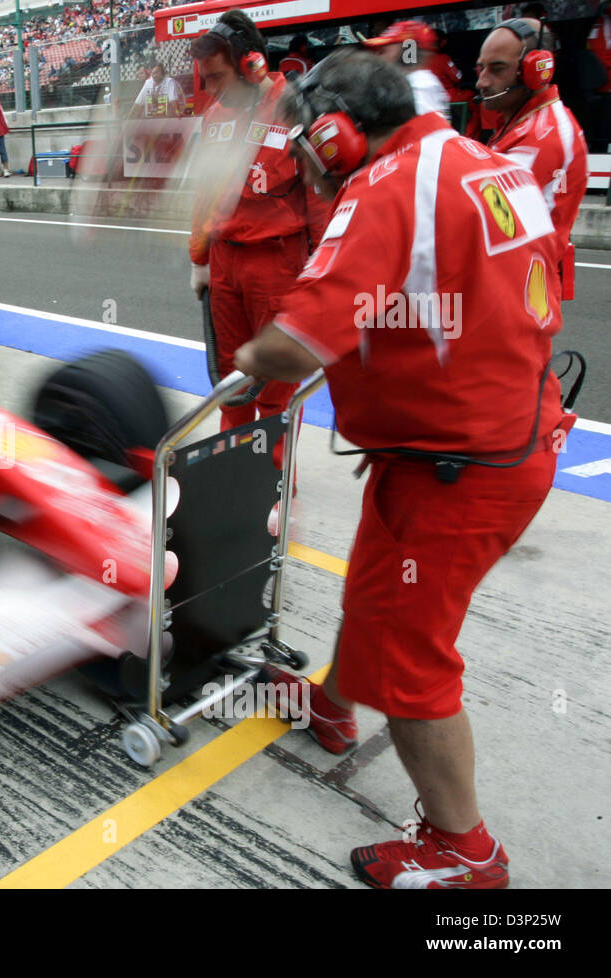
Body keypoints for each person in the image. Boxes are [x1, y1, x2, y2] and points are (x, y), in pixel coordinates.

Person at [235, 49, 571, 889]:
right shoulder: (484, 160)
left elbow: (293, 341)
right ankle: (334, 706)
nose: (304, 161)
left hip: (458, 469)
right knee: (375, 595)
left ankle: (466, 852)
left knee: (411, 658)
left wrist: (249, 357)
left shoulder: (384, 188)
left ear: (338, 132)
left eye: (308, 143)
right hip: (497, 437)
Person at [188, 10, 329, 433]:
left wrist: (323, 276)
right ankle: (230, 473)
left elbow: (321, 201)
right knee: (231, 382)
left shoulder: (298, 110)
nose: (209, 90)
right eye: (204, 80)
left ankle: (273, 484)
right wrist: (199, 258)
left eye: (216, 78)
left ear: (252, 65)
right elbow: (204, 191)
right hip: (224, 260)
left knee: (275, 388)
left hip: (278, 264)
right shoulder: (216, 117)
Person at [476, 17, 588, 299]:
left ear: (535, 70)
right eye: (481, 68)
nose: (482, 81)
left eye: (497, 68)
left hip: (517, 290)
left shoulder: (543, 136)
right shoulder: (521, 122)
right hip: (511, 281)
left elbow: (482, 216)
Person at [362, 20, 451, 119]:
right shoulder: (413, 82)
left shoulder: (418, 87)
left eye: (383, 51)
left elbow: (426, 131)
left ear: (408, 52)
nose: (378, 57)